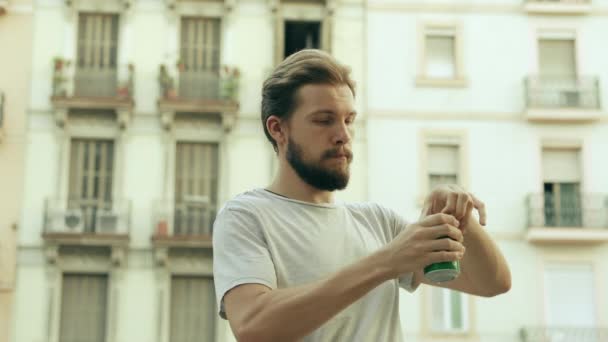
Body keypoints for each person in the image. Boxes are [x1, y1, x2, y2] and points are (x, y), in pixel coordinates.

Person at [212, 49, 511, 342]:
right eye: (324, 120)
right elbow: (253, 326)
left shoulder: (378, 221)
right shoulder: (245, 216)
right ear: (278, 128)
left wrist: (461, 219)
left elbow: (493, 283)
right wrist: (386, 262)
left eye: (349, 119)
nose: (343, 134)